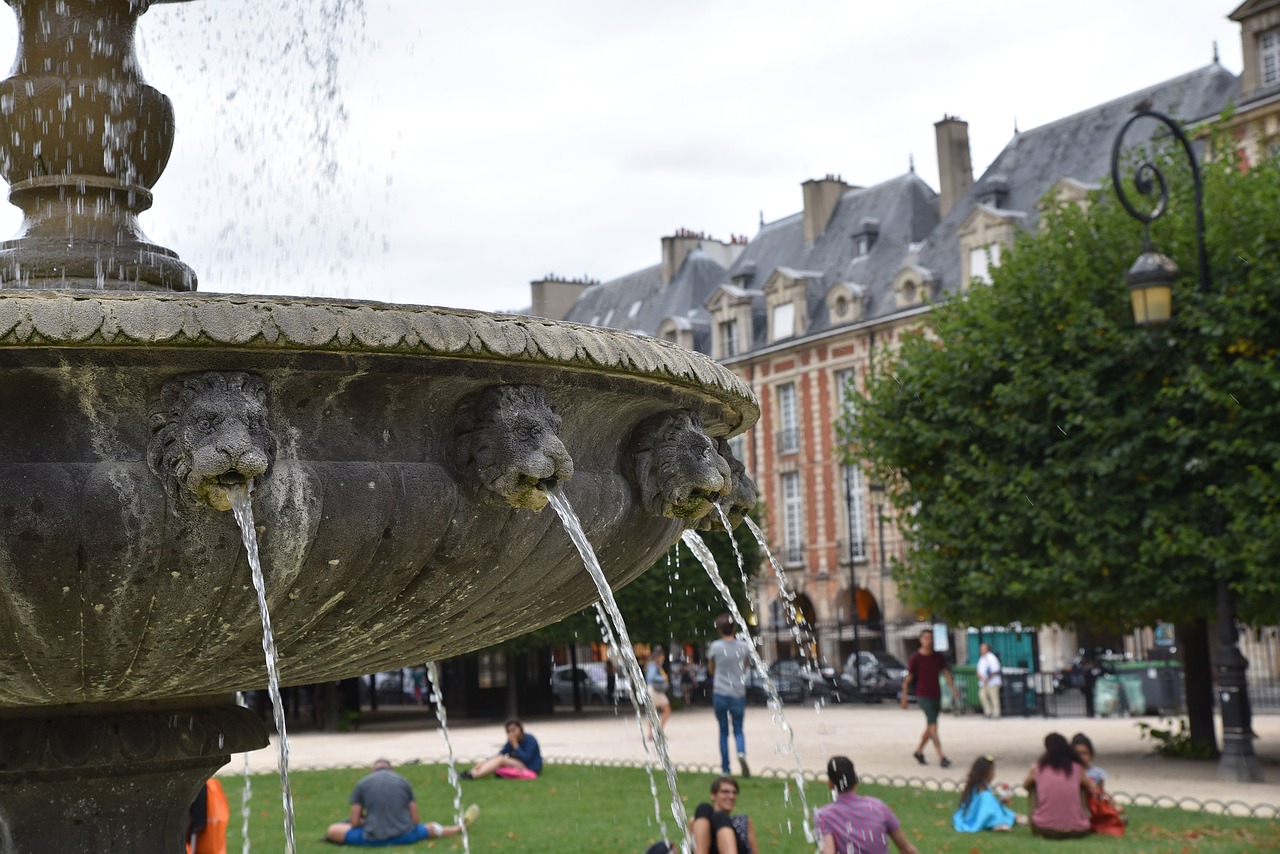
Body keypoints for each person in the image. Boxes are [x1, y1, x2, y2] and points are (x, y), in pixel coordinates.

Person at [326, 759, 479, 846]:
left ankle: (458, 828)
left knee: (333, 830)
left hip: (372, 839)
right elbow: (415, 820)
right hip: (405, 835)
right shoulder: (403, 782)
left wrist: (365, 821)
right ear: (391, 770)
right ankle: (458, 828)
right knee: (431, 828)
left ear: (372, 771)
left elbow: (353, 822)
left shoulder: (363, 783)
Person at [814, 755, 919, 854]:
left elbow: (828, 851)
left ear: (831, 784)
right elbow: (907, 849)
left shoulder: (824, 816)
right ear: (856, 780)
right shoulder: (878, 807)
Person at [644, 775, 756, 854]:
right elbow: (688, 849)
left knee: (720, 816)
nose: (731, 796)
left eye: (734, 792)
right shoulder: (697, 821)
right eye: (725, 792)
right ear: (713, 795)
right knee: (704, 808)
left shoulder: (744, 820)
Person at [899, 627, 959, 767]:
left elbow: (946, 673)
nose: (928, 641)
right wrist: (904, 696)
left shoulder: (937, 657)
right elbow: (909, 677)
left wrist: (953, 688)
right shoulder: (915, 658)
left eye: (930, 638)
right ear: (920, 640)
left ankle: (919, 751)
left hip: (936, 694)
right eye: (926, 638)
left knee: (930, 726)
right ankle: (941, 756)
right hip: (923, 694)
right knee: (933, 725)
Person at [1023, 732, 1092, 839]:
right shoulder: (1077, 768)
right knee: (1082, 788)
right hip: (1077, 830)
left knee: (1033, 788)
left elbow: (1025, 786)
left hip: (1043, 828)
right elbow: (1090, 787)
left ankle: (1039, 816)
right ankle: (1078, 817)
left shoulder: (1038, 768)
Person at [708, 613, 751, 776]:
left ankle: (726, 768)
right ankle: (741, 752)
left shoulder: (715, 647)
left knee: (723, 731)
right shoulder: (744, 646)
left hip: (720, 692)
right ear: (735, 627)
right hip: (738, 692)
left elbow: (711, 668)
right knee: (739, 729)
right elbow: (745, 667)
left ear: (719, 629)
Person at [952, 755, 1017, 833]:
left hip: (975, 813)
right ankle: (995, 823)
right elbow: (985, 809)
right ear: (985, 772)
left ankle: (1004, 818)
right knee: (987, 797)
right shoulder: (982, 790)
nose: (994, 774)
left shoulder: (982, 786)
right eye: (992, 771)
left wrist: (1001, 802)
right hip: (975, 816)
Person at [461, 719, 543, 779]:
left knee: (501, 760)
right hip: (518, 763)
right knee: (498, 758)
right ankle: (471, 772)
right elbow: (502, 752)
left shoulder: (529, 739)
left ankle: (474, 776)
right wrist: (486, 761)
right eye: (509, 731)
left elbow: (526, 758)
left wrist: (515, 745)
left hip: (530, 767)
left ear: (520, 729)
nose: (512, 733)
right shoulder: (511, 741)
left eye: (514, 730)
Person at [646, 646, 673, 738]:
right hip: (655, 690)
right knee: (667, 710)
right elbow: (651, 677)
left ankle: (651, 733)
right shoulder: (654, 665)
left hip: (651, 689)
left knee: (653, 712)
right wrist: (662, 678)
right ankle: (658, 731)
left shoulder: (651, 664)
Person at [975, 642, 1002, 719]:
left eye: (983, 649)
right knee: (982, 696)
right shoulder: (981, 658)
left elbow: (995, 670)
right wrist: (979, 675)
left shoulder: (991, 658)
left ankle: (996, 713)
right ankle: (988, 712)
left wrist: (988, 678)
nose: (981, 650)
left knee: (994, 698)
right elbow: (978, 669)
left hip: (992, 682)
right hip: (983, 683)